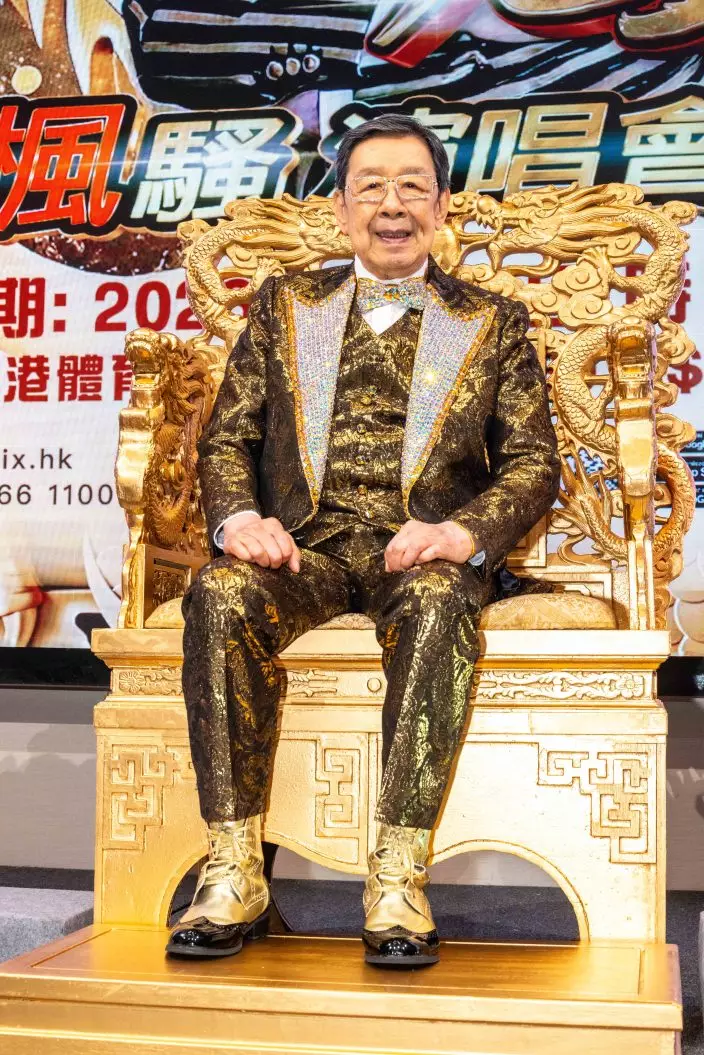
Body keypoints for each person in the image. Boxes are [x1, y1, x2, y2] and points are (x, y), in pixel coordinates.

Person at [167, 114, 560, 967]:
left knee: (441, 596)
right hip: (301, 552)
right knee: (219, 590)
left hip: (420, 555)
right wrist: (238, 519)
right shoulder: (285, 303)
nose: (392, 205)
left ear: (442, 206)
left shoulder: (492, 320)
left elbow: (535, 462)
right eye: (371, 186)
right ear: (341, 208)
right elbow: (227, 436)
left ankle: (397, 875)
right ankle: (233, 866)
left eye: (412, 186)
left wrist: (462, 531)